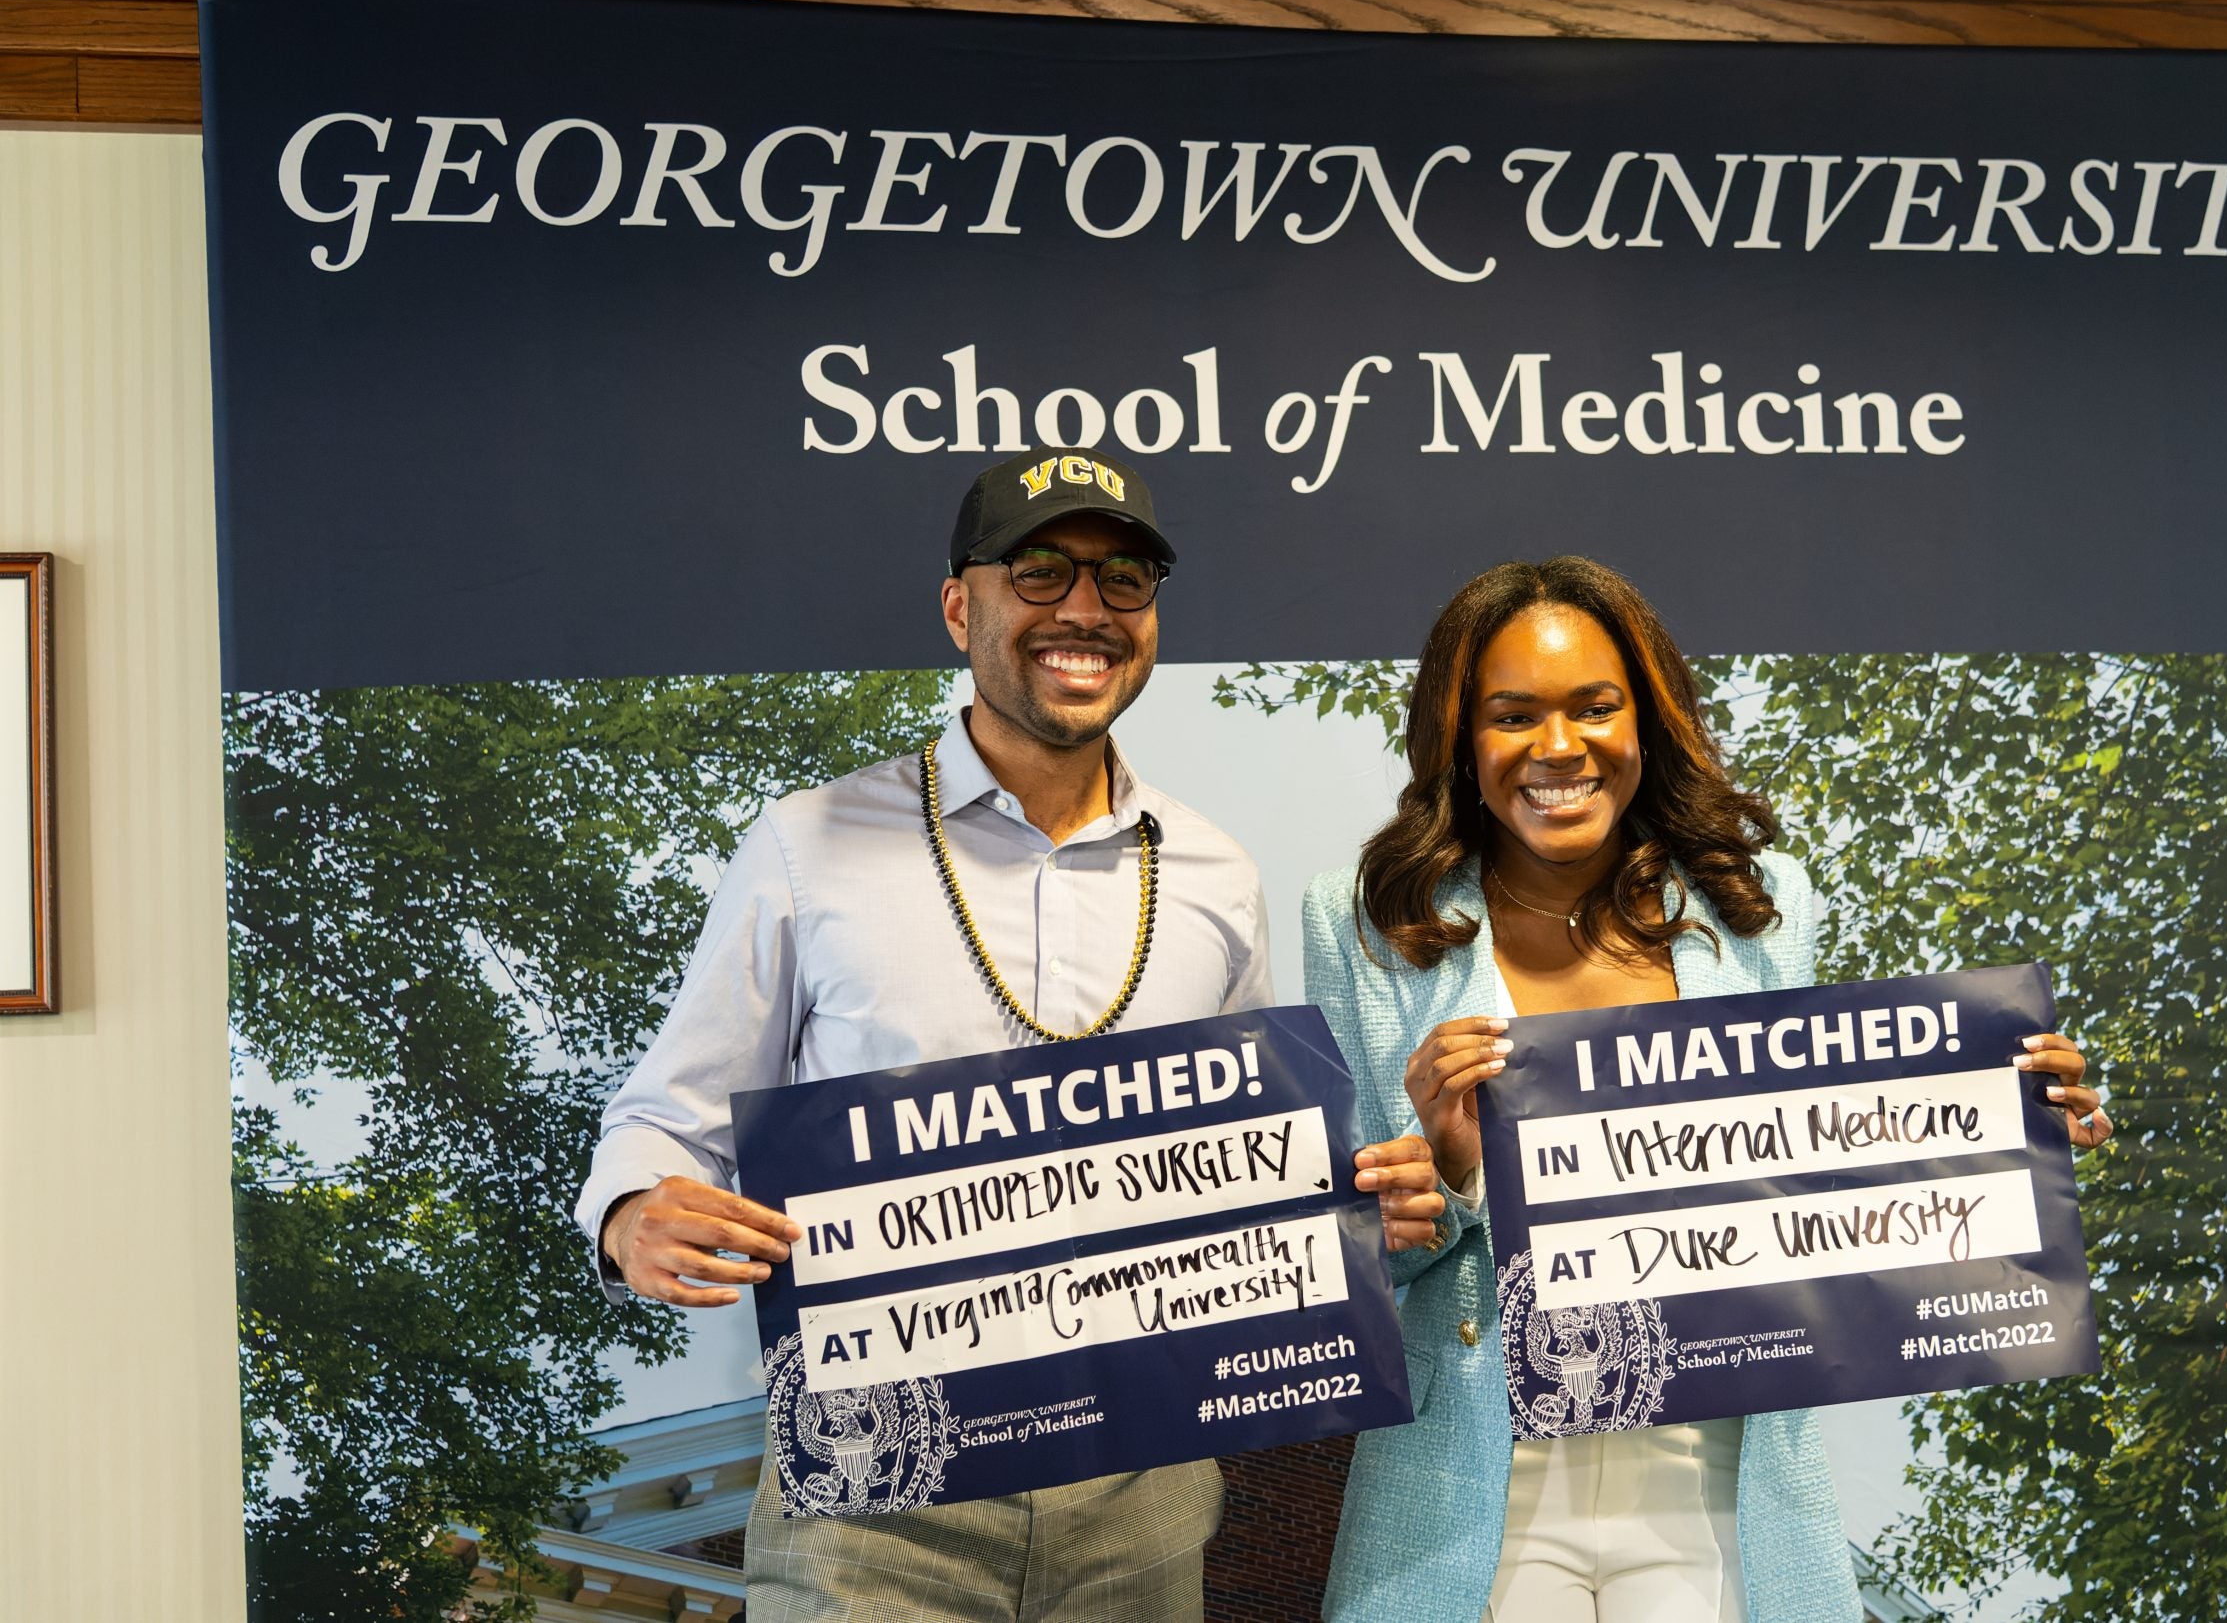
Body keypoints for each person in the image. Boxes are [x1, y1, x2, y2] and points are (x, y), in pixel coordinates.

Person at [1307, 557, 2111, 1623]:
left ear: (1648, 717)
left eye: (1595, 706)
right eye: (1513, 716)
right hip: (1476, 1482)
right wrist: (1443, 1176)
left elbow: (1820, 1174)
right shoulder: (1363, 920)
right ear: (1460, 737)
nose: (1559, 749)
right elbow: (1337, 1261)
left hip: (1713, 1477)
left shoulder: (1760, 909)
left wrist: (2010, 1129)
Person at [576, 444, 1273, 1623]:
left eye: (1123, 582)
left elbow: (1256, 1152)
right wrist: (632, 1212)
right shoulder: (809, 845)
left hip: (1144, 1492)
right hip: (874, 1492)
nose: (1085, 613)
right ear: (962, 606)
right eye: (1040, 573)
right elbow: (661, 1121)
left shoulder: (1216, 872)